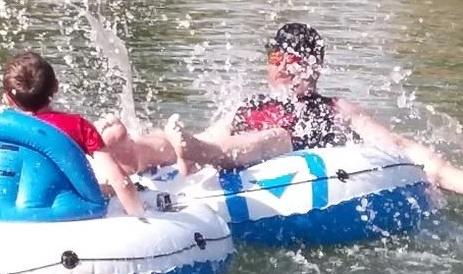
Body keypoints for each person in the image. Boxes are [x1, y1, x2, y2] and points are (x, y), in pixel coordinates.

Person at [104, 22, 463, 194]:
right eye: (275, 58)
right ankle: (133, 150)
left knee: (274, 136)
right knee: (201, 136)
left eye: (292, 59)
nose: (281, 68)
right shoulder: (252, 103)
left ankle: (195, 151)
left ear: (313, 67)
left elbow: (397, 145)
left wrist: (447, 175)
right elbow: (215, 132)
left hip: (284, 148)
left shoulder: (335, 108)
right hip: (229, 145)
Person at [2, 52, 146, 216]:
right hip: (71, 206)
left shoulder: (2, 128)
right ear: (56, 86)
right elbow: (120, 180)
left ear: (8, 99)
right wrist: (140, 216)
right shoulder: (79, 126)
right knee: (108, 186)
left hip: (17, 205)